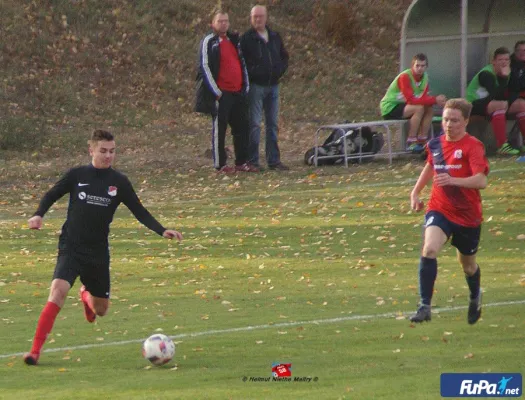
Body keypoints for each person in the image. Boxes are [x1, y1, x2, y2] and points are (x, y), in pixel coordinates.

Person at [23, 130, 183, 365]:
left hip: (97, 252)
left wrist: (161, 230)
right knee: (57, 291)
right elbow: (52, 194)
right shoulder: (77, 175)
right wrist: (38, 215)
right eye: (103, 151)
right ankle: (34, 352)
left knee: (101, 310)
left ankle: (86, 295)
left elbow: (139, 211)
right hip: (71, 246)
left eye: (112, 151)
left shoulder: (119, 182)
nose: (108, 156)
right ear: (91, 150)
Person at [409, 98, 489, 325]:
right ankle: (425, 306)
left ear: (465, 121)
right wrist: (415, 192)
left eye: (454, 120)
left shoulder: (473, 146)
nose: (449, 124)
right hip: (440, 208)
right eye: (445, 119)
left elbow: (481, 181)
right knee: (429, 249)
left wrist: (454, 180)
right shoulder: (435, 144)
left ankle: (475, 296)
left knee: (468, 266)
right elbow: (430, 166)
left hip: (468, 215)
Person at [195, 10, 258, 173]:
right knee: (220, 129)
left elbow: (242, 63)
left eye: (226, 21)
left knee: (242, 128)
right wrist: (216, 91)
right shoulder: (209, 41)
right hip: (222, 93)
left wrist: (245, 87)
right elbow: (205, 67)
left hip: (238, 92)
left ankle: (241, 161)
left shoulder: (234, 40)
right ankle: (220, 164)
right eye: (220, 21)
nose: (223, 24)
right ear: (213, 24)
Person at [241, 5, 290, 171]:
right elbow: (244, 63)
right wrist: (255, 73)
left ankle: (274, 161)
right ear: (251, 18)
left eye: (261, 16)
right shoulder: (246, 39)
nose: (258, 19)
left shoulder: (275, 36)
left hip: (274, 86)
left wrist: (279, 71)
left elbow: (284, 56)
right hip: (256, 86)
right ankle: (253, 161)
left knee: (273, 124)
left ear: (266, 17)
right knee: (254, 124)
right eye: (255, 17)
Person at [380, 53, 447, 153]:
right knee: (419, 108)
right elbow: (410, 100)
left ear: (426, 67)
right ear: (412, 66)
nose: (420, 68)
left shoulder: (425, 78)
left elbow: (424, 98)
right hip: (390, 107)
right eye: (417, 65)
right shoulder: (405, 77)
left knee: (429, 109)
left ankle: (422, 140)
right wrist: (434, 99)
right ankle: (411, 142)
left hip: (405, 106)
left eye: (422, 66)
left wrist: (439, 101)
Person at [466, 47, 524, 155]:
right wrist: (503, 77)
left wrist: (510, 101)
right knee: (500, 104)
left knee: (522, 104)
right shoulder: (486, 73)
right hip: (473, 104)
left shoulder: (510, 71)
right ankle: (502, 145)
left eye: (506, 60)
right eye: (500, 60)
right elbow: (496, 95)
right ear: (494, 61)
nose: (504, 62)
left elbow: (514, 91)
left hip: (492, 104)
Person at [509, 40, 525, 152]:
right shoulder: (509, 64)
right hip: (510, 99)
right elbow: (511, 86)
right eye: (519, 50)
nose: (522, 53)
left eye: (524, 50)